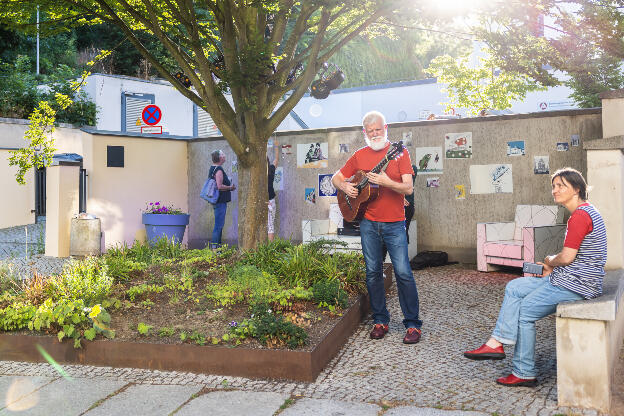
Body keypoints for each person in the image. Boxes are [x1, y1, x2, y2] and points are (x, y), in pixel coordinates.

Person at [464, 167, 607, 386]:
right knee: (515, 287)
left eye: (561, 186)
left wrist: (550, 261)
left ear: (577, 189)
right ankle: (496, 343)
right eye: (554, 186)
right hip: (572, 279)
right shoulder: (588, 211)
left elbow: (567, 257)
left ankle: (524, 372)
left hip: (577, 285)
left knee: (525, 311)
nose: (555, 190)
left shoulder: (580, 216)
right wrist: (554, 267)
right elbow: (576, 258)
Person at [332, 110, 423, 344]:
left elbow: (409, 189)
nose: (375, 134)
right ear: (365, 132)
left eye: (378, 130)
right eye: (370, 131)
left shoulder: (399, 153)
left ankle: (412, 325)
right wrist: (346, 188)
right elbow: (336, 178)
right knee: (372, 272)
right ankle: (380, 320)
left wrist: (386, 182)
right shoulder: (359, 155)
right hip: (368, 223)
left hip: (394, 224)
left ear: (386, 128)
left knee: (403, 272)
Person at [208, 150, 236, 248]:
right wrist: (230, 187)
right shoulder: (218, 169)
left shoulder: (213, 168)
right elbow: (219, 186)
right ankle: (215, 248)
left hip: (218, 201)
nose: (225, 156)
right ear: (220, 158)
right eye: (223, 155)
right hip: (220, 201)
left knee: (219, 224)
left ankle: (217, 248)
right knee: (219, 225)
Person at [267, 139, 279, 241]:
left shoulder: (257, 174)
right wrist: (276, 146)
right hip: (270, 201)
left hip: (261, 202)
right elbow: (276, 159)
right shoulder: (271, 169)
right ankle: (269, 251)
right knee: (270, 226)